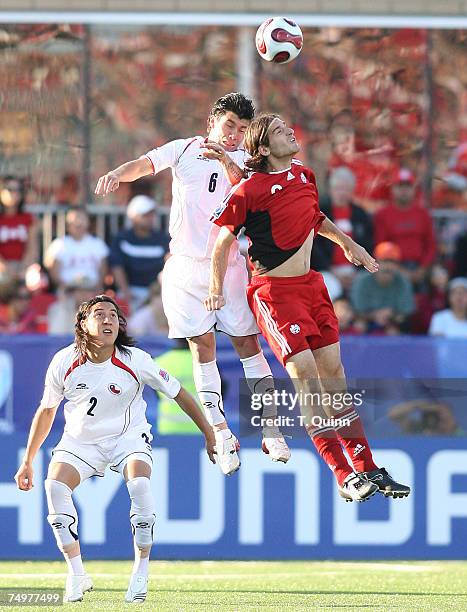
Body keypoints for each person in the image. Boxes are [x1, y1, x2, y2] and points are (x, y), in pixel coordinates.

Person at [205, 113, 410, 502]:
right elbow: (221, 243)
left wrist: (348, 243)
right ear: (264, 148)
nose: (291, 131)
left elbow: (314, 218)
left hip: (312, 287)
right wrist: (216, 289)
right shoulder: (249, 191)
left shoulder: (305, 175)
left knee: (335, 379)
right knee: (309, 383)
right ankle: (342, 475)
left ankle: (366, 467)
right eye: (281, 131)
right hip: (275, 294)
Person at [95, 93, 290, 474]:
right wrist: (119, 173)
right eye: (230, 125)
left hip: (229, 263)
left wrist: (228, 163)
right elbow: (146, 164)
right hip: (184, 266)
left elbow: (251, 197)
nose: (234, 135)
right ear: (213, 121)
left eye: (242, 129)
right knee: (202, 349)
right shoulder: (183, 149)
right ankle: (220, 431)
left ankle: (271, 428)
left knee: (249, 344)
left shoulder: (247, 161)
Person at [14, 295, 215, 603]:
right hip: (81, 440)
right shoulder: (64, 362)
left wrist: (209, 432)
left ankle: (141, 571)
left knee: (140, 485)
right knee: (54, 487)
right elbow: (46, 411)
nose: (108, 320)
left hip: (128, 437)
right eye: (100, 314)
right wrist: (27, 460)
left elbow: (179, 393)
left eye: (114, 315)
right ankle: (77, 574)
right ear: (83, 323)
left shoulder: (136, 360)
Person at [311, 166, 373, 295]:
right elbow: (314, 247)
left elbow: (368, 244)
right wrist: (331, 269)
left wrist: (358, 271)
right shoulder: (320, 212)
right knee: (329, 289)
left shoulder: (361, 215)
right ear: (331, 189)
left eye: (346, 189)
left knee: (365, 287)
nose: (342, 193)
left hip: (356, 272)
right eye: (338, 188)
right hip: (326, 270)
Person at [374, 168, 436, 285]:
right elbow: (380, 246)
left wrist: (422, 269)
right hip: (392, 266)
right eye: (400, 186)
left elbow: (431, 245)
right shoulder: (383, 214)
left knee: (439, 278)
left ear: (413, 189)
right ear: (392, 189)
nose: (404, 190)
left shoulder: (423, 214)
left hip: (420, 267)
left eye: (407, 186)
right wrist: (398, 270)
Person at [109, 195, 168, 312]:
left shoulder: (163, 239)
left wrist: (159, 291)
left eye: (151, 214)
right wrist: (126, 292)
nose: (150, 218)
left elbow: (169, 263)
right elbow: (117, 266)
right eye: (145, 215)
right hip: (129, 295)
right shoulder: (122, 239)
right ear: (133, 217)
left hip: (157, 295)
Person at [350, 242, 415, 335]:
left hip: (392, 322)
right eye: (384, 261)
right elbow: (356, 310)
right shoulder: (362, 280)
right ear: (374, 262)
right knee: (358, 326)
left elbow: (405, 312)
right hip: (367, 320)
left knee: (395, 331)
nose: (388, 266)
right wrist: (374, 315)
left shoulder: (402, 281)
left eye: (392, 262)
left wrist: (391, 315)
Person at [44, 208, 109, 293]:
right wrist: (67, 287)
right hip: (67, 293)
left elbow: (103, 270)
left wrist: (96, 287)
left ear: (88, 222)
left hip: (92, 292)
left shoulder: (98, 244)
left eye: (81, 219)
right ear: (68, 224)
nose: (78, 223)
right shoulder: (58, 245)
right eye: (74, 220)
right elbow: (53, 272)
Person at [0, 175, 38, 282]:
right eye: (10, 189)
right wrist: (7, 270)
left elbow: (32, 248)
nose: (14, 193)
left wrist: (23, 269)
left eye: (18, 190)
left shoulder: (28, 218)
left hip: (23, 267)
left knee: (35, 281)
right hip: (2, 268)